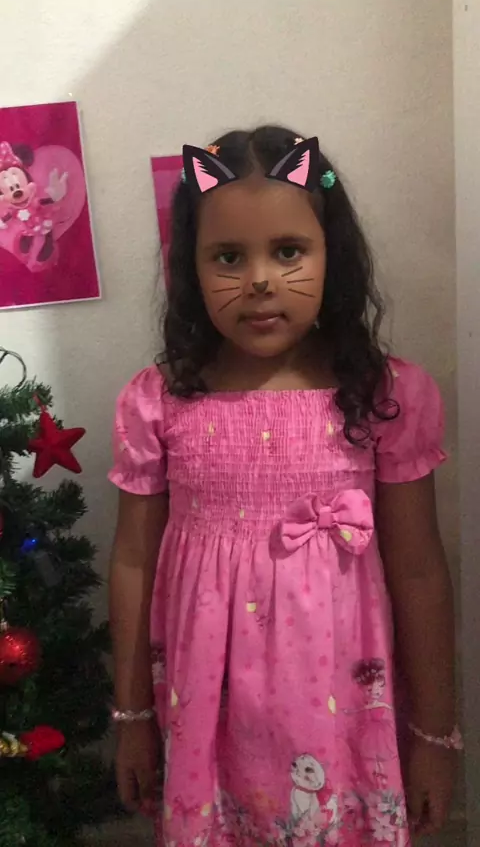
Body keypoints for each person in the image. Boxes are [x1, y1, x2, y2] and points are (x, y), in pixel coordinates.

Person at [108, 126, 459, 847]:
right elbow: (133, 563)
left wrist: (434, 733)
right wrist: (133, 719)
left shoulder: (384, 396)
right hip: (210, 724)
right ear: (191, 265)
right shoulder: (158, 402)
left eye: (289, 251)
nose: (261, 280)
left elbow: (420, 571)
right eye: (228, 257)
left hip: (342, 720)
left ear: (333, 254)